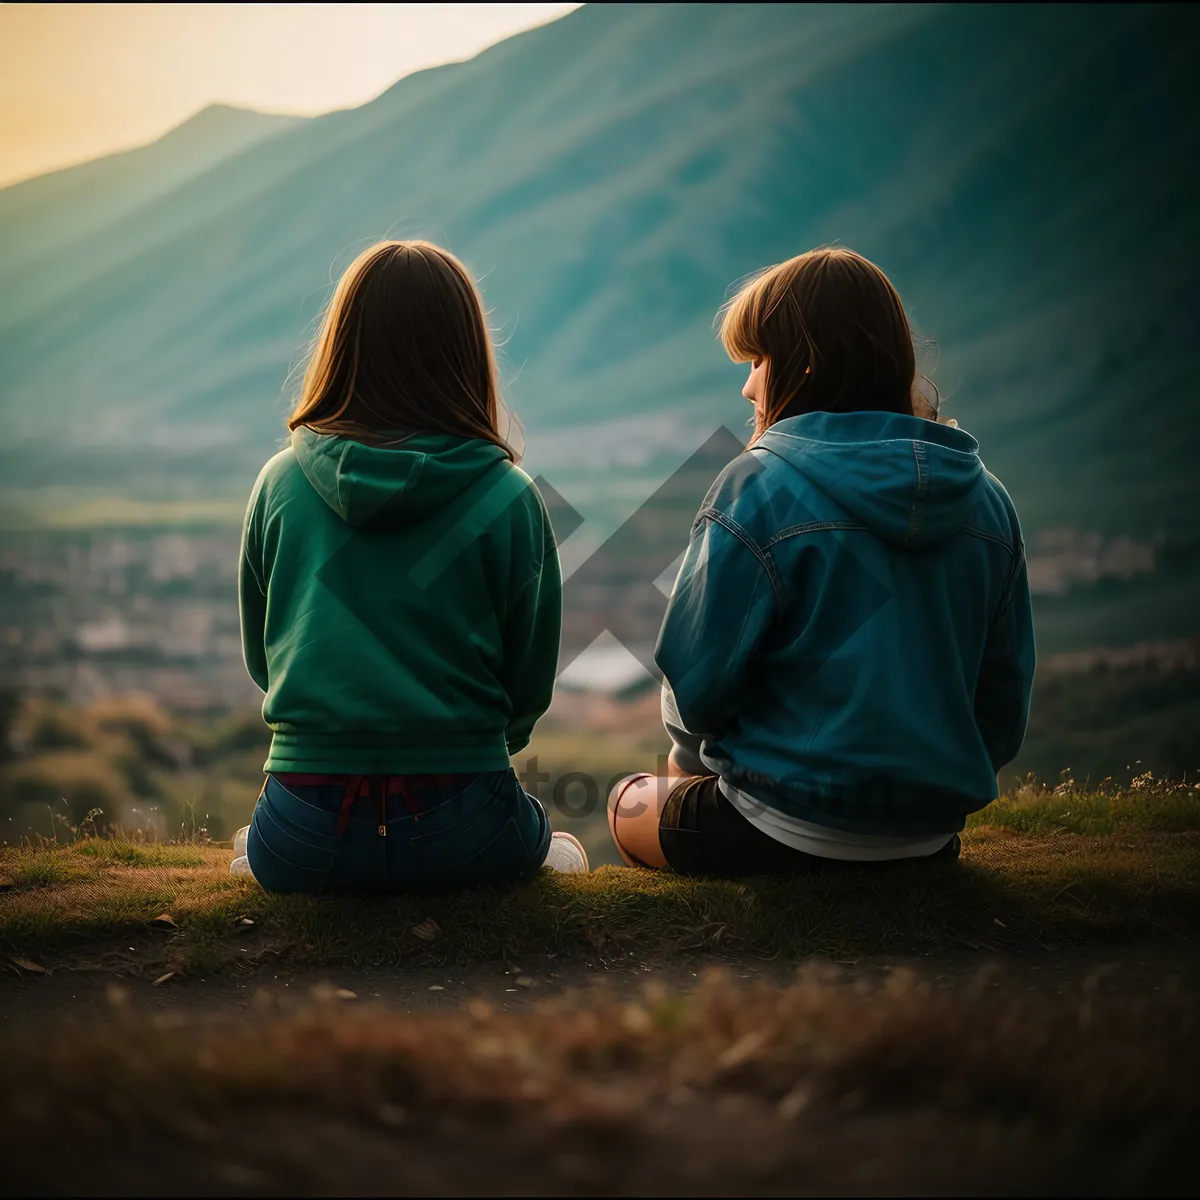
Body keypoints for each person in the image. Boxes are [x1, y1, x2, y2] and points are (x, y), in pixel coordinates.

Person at [607, 247, 1035, 876]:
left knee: (627, 801)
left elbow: (696, 683)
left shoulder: (757, 485)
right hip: (927, 841)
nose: (748, 384)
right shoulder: (989, 501)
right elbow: (1002, 701)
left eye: (758, 359)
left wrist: (692, 767)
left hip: (776, 832)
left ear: (804, 364)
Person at [230, 239, 588, 892]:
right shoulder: (509, 496)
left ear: (342, 346)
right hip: (467, 826)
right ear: (465, 353)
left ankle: (266, 847)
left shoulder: (278, 484)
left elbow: (266, 656)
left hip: (302, 831)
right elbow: (528, 684)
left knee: (273, 843)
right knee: (552, 841)